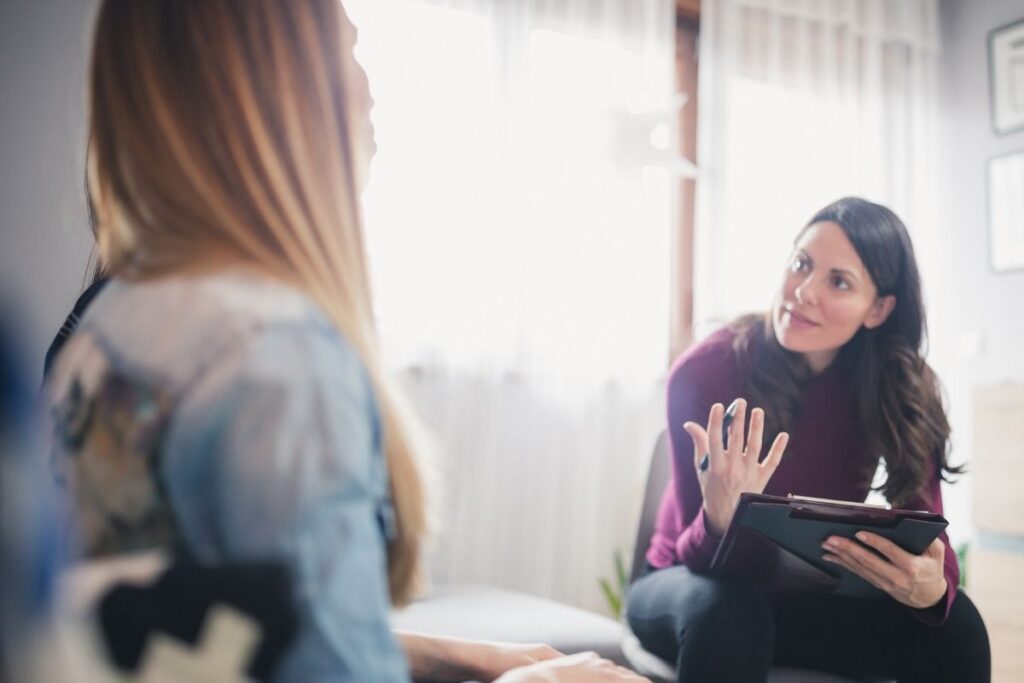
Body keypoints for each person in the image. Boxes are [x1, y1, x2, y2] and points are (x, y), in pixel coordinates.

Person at [43, 2, 647, 681]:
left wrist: (471, 656)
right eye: (349, 47)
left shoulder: (102, 325)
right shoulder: (280, 355)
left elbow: (230, 629)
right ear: (283, 83)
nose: (369, 88)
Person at [625, 197, 990, 682]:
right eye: (801, 265)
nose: (802, 291)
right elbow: (696, 554)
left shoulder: (901, 388)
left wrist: (929, 587)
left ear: (878, 309)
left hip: (804, 600)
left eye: (838, 281)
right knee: (731, 614)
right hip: (688, 584)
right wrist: (721, 516)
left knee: (957, 623)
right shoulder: (705, 371)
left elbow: (931, 540)